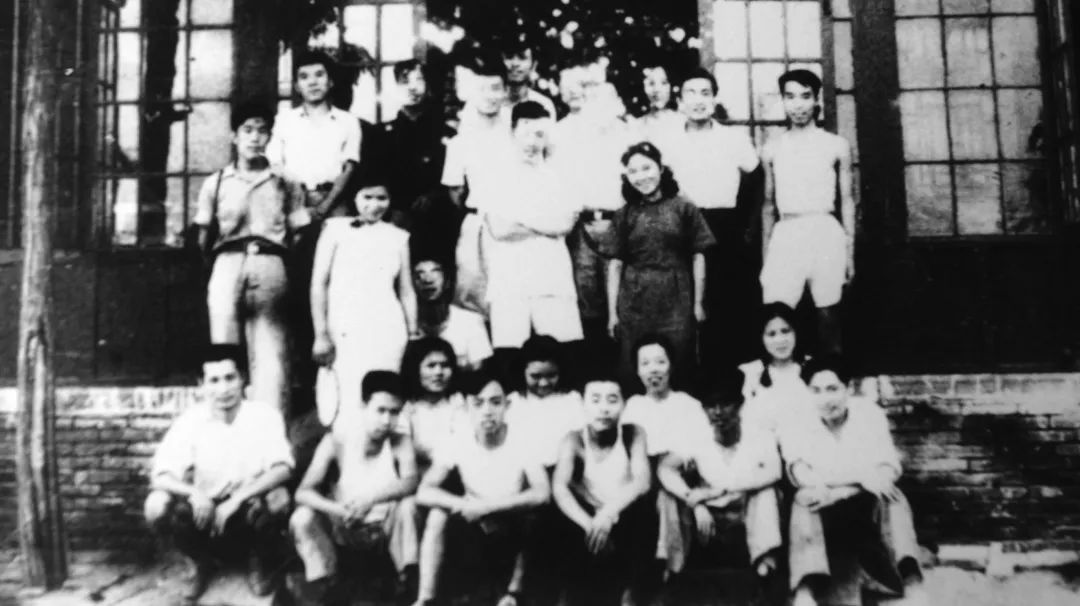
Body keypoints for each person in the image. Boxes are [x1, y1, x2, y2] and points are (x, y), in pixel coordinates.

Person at [144, 345, 293, 604]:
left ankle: (258, 560)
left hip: (248, 509)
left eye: (229, 378)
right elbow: (161, 475)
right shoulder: (190, 421)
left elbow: (284, 468)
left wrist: (238, 498)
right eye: (214, 380)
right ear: (201, 385)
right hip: (206, 513)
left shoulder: (263, 416)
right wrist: (194, 493)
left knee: (279, 499)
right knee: (155, 504)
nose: (223, 389)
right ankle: (197, 562)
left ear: (242, 379)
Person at [779, 356, 924, 606]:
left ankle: (912, 583)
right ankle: (805, 590)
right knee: (804, 499)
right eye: (816, 391)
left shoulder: (870, 414)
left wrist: (844, 490)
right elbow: (801, 473)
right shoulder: (797, 420)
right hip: (823, 505)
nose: (825, 399)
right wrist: (861, 477)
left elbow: (887, 467)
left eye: (832, 389)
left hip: (863, 505)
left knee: (893, 496)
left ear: (848, 389)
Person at [194, 101, 308, 414]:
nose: (255, 138)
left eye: (262, 131)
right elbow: (203, 236)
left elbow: (298, 232)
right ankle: (223, 426)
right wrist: (220, 265)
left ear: (270, 137)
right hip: (227, 262)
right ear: (234, 136)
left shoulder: (285, 181)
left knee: (272, 356)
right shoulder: (217, 182)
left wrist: (278, 263)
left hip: (270, 262)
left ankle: (270, 430)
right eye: (247, 130)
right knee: (223, 352)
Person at [414, 367, 551, 606]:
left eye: (495, 403)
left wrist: (489, 507)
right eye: (478, 403)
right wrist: (464, 504)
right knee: (437, 515)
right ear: (467, 407)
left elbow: (542, 493)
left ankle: (513, 594)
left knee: (534, 517)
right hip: (474, 522)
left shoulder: (523, 437)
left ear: (507, 405)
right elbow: (424, 492)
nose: (487, 411)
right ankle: (426, 598)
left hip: (511, 519)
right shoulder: (458, 438)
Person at [661, 67, 762, 376]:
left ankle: (728, 379)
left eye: (705, 93)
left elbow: (756, 179)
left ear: (715, 99)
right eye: (691, 93)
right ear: (680, 100)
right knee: (685, 303)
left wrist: (745, 226)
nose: (698, 100)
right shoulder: (668, 140)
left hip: (724, 228)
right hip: (682, 227)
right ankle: (689, 377)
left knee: (725, 302)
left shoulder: (733, 138)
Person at [289, 371, 421, 604]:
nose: (386, 421)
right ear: (363, 405)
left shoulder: (400, 440)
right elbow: (303, 492)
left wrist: (370, 500)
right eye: (380, 410)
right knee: (302, 518)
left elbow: (411, 482)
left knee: (408, 506)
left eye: (394, 412)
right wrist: (338, 510)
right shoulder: (338, 441)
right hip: (344, 526)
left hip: (383, 530)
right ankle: (327, 582)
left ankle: (405, 579)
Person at [761, 69, 856, 356]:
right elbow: (768, 205)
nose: (798, 105)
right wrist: (766, 255)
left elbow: (847, 200)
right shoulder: (772, 148)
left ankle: (833, 375)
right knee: (779, 312)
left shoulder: (836, 145)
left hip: (824, 230)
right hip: (787, 232)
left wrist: (850, 251)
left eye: (805, 96)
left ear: (817, 100)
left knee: (828, 312)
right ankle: (785, 377)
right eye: (790, 97)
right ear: (783, 100)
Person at [311, 174, 418, 426]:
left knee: (384, 392)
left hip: (387, 326)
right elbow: (318, 284)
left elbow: (406, 289)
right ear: (355, 198)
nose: (374, 205)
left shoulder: (398, 236)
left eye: (382, 198)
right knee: (347, 393)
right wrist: (321, 333)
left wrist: (413, 333)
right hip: (345, 326)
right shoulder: (334, 229)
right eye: (367, 197)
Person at [655, 381, 783, 592]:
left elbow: (774, 471)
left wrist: (719, 490)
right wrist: (694, 501)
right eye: (710, 406)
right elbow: (665, 468)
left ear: (739, 406)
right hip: (710, 515)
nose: (718, 412)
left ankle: (765, 567)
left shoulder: (757, 433)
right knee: (666, 496)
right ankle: (672, 570)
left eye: (725, 405)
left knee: (767, 494)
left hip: (743, 511)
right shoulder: (698, 436)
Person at [607, 141, 715, 386]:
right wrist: (613, 314)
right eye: (633, 171)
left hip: (677, 295)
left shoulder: (684, 208)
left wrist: (698, 304)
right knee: (634, 362)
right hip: (634, 298)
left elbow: (698, 256)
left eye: (647, 168)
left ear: (661, 168)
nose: (641, 177)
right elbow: (615, 265)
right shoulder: (624, 214)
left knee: (679, 360)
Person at [551, 54, 636, 364]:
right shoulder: (565, 134)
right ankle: (593, 372)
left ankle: (626, 372)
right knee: (587, 304)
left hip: (620, 225)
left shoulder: (629, 133)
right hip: (582, 228)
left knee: (623, 301)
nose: (591, 97)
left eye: (595, 89)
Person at [484, 101, 583, 359]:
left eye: (539, 134)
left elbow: (565, 224)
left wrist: (521, 220)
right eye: (526, 133)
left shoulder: (560, 176)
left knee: (564, 355)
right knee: (509, 357)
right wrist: (546, 225)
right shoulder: (496, 175)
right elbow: (500, 228)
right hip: (509, 281)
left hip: (553, 279)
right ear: (512, 132)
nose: (532, 142)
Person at [551, 368, 657, 606]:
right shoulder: (573, 439)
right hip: (589, 519)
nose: (604, 408)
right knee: (557, 519)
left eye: (612, 400)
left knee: (646, 512)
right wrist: (590, 525)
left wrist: (609, 514)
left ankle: (631, 596)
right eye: (596, 400)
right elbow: (560, 487)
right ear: (583, 404)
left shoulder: (633, 433)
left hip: (623, 516)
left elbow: (642, 481)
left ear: (624, 404)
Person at [620, 336, 716, 576]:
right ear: (637, 370)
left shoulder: (689, 404)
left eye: (660, 362)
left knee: (666, 492)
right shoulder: (632, 406)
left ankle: (667, 566)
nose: (653, 369)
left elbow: (703, 449)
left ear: (671, 366)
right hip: (646, 479)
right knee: (662, 491)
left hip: (683, 475)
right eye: (645, 363)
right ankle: (672, 568)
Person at [442, 55, 514, 314]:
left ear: (505, 91)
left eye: (496, 88)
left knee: (511, 297)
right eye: (482, 89)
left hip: (513, 224)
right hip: (477, 226)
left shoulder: (516, 134)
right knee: (473, 296)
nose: (489, 96)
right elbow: (455, 191)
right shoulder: (460, 141)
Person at [267, 50, 361, 220]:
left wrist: (324, 207)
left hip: (335, 202)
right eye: (304, 77)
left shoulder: (348, 121)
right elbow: (276, 165)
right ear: (297, 86)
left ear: (330, 81)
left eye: (319, 75)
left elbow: (349, 169)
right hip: (293, 200)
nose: (312, 82)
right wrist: (296, 201)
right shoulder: (284, 120)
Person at [382, 59, 453, 243]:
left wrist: (433, 195)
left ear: (428, 85)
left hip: (437, 220)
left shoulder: (445, 133)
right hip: (393, 219)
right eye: (405, 81)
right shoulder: (381, 134)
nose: (412, 87)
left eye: (419, 80)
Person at [505, 335, 584, 470]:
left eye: (551, 375)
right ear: (522, 372)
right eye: (535, 376)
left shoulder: (572, 400)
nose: (544, 383)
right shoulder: (513, 402)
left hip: (567, 469)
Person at [739, 303, 817, 437]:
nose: (780, 340)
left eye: (785, 331)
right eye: (771, 334)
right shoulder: (750, 373)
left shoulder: (814, 367)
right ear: (761, 337)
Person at [412, 252, 492, 371]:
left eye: (435, 271)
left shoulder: (471, 321)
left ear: (447, 281)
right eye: (419, 274)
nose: (427, 280)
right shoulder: (403, 324)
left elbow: (479, 369)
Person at [399, 337, 470, 467]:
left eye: (445, 365)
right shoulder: (407, 409)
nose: (438, 372)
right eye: (431, 366)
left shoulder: (458, 403)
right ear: (415, 369)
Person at [500, 35, 558, 118]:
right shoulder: (490, 102)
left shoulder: (544, 104)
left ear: (534, 65)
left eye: (522, 57)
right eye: (509, 57)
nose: (515, 63)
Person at [634, 62, 683, 146]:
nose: (657, 89)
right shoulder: (638, 126)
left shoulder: (683, 121)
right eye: (651, 83)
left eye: (664, 83)